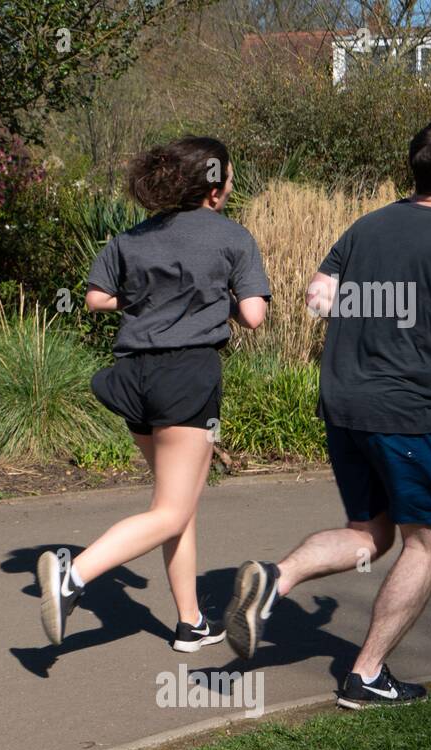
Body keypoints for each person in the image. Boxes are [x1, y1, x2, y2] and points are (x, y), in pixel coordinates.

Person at [224, 117, 431, 708]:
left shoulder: (367, 225)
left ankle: (277, 579)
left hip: (343, 401)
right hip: (406, 411)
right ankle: (366, 675)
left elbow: (317, 295)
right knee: (426, 542)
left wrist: (371, 312)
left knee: (372, 533)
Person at [37, 136, 270, 651]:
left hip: (131, 377)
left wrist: (152, 297)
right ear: (213, 187)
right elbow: (254, 316)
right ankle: (71, 577)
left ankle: (191, 623)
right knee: (170, 510)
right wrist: (220, 298)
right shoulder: (232, 237)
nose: (232, 184)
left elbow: (97, 299)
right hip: (186, 376)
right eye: (229, 176)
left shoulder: (131, 238)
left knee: (177, 504)